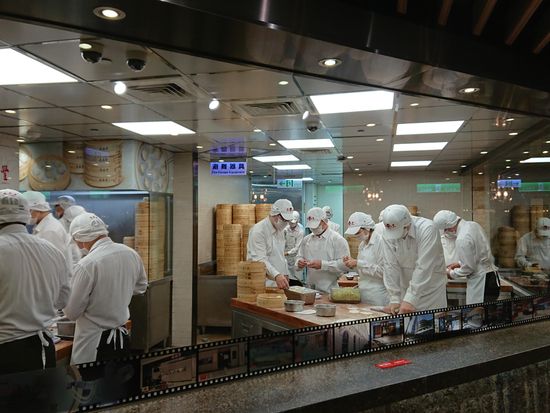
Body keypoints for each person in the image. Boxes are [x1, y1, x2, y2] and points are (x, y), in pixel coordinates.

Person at [0, 189, 71, 374]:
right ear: (26, 215)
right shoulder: (51, 250)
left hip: (5, 351)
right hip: (43, 347)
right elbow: (62, 300)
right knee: (41, 393)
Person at [64, 213, 148, 364]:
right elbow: (141, 287)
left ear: (80, 239)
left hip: (94, 345)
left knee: (94, 379)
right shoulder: (131, 253)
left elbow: (71, 312)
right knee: (118, 378)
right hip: (121, 338)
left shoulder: (87, 265)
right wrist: (118, 293)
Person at [380, 204, 447, 314]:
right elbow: (390, 265)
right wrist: (394, 298)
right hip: (406, 289)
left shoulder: (427, 229)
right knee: (407, 324)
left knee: (431, 321)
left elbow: (424, 266)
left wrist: (411, 298)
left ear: (407, 224)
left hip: (431, 290)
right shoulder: (388, 232)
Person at [433, 210, 500, 304]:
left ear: (450, 228)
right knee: (488, 310)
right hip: (492, 276)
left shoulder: (462, 239)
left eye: (445, 230)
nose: (445, 233)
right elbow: (478, 254)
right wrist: (459, 263)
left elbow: (468, 269)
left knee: (478, 311)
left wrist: (451, 273)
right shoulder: (473, 225)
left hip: (482, 283)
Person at [296, 207, 350, 293]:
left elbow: (345, 266)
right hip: (310, 290)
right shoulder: (306, 240)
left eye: (316, 226)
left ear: (324, 221)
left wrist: (323, 265)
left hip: (330, 291)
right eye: (311, 227)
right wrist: (299, 263)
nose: (313, 229)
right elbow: (299, 257)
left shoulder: (338, 240)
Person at [342, 212, 389, 306]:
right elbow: (364, 271)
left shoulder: (381, 243)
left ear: (367, 228)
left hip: (378, 296)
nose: (356, 236)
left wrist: (358, 263)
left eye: (357, 232)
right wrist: (351, 264)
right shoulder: (362, 244)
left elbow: (384, 271)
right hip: (363, 293)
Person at [247, 199, 294, 289]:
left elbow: (280, 255)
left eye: (288, 221)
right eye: (284, 220)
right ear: (275, 215)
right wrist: (276, 275)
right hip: (262, 284)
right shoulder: (258, 231)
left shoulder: (280, 230)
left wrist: (285, 272)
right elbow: (259, 259)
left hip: (278, 284)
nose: (286, 223)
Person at [22, 190, 73, 266]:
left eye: (28, 211)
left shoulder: (50, 230)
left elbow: (52, 263)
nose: (26, 215)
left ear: (38, 209)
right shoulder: (43, 226)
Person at [284, 210, 305, 285]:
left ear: (298, 221)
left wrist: (287, 253)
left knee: (297, 279)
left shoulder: (300, 231)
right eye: (290, 222)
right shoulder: (286, 229)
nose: (291, 224)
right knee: (287, 278)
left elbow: (297, 248)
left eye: (293, 222)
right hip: (286, 258)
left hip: (296, 257)